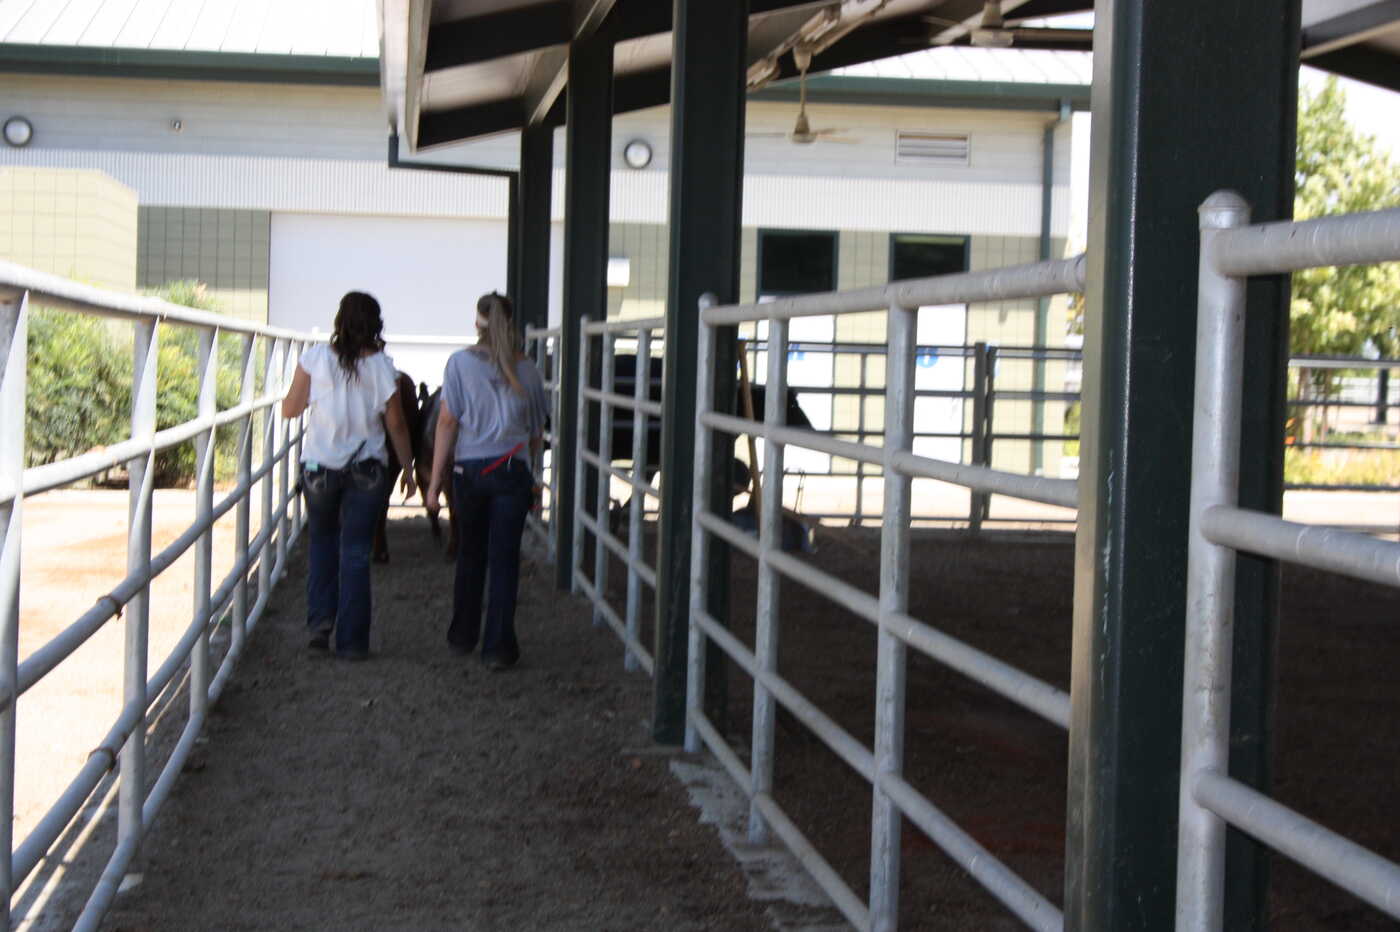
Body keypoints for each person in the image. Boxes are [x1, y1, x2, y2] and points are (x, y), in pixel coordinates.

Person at [281, 291, 416, 660]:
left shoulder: (315, 359)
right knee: (356, 553)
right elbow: (397, 425)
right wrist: (408, 468)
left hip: (319, 469)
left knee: (322, 544)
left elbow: (290, 410)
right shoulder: (383, 368)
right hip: (367, 470)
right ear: (375, 324)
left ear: (339, 320)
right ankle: (354, 642)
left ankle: (319, 628)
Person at [425, 292, 547, 670]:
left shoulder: (459, 364)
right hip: (512, 472)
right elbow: (536, 434)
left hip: (470, 472)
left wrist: (433, 483)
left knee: (471, 554)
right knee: (505, 559)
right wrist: (536, 480)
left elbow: (447, 422)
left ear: (475, 323)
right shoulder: (528, 369)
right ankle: (497, 647)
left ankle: (463, 635)